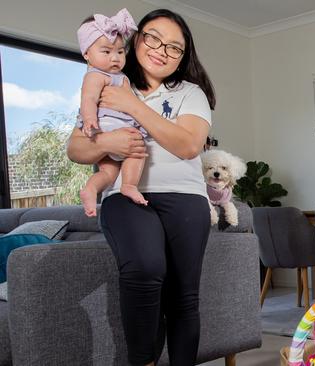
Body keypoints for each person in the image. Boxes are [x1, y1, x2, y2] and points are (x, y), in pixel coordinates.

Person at [67, 8, 216, 366]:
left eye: (174, 47)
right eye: (152, 37)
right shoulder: (107, 81)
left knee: (183, 296)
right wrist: (109, 143)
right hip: (125, 195)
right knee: (144, 269)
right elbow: (76, 148)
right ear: (136, 39)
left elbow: (188, 145)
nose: (161, 50)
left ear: (183, 57)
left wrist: (132, 105)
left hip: (185, 199)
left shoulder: (190, 93)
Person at [76, 9, 148, 217]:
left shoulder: (121, 76)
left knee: (108, 172)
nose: (115, 58)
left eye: (119, 52)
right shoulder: (95, 76)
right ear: (87, 54)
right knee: (138, 149)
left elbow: (131, 103)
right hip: (108, 125)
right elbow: (88, 99)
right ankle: (129, 184)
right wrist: (89, 119)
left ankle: (91, 189)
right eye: (106, 52)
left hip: (112, 127)